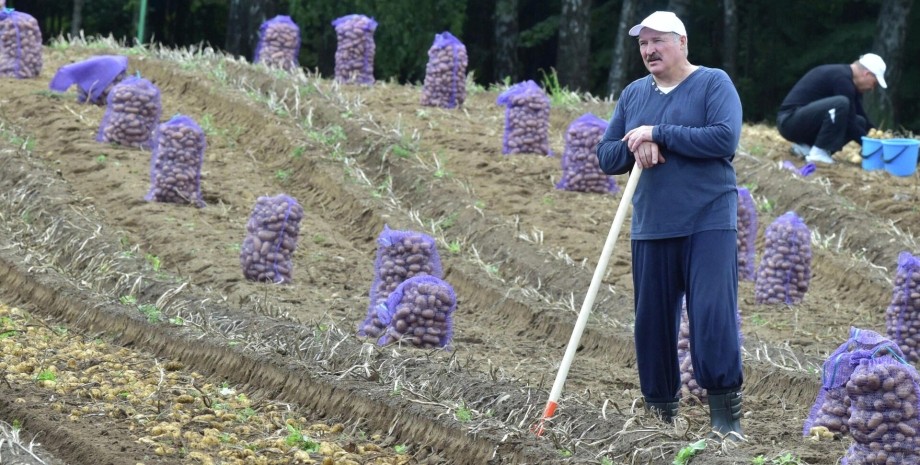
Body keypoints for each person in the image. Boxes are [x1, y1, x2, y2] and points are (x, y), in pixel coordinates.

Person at [595, 11, 744, 441]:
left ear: (682, 42)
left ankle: (726, 420)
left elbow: (723, 138)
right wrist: (636, 142)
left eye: (658, 41)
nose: (649, 50)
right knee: (652, 323)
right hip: (652, 225)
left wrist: (659, 132)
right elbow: (607, 156)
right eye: (643, 44)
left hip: (708, 219)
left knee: (711, 314)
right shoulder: (633, 94)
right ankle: (660, 416)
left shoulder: (713, 83)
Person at [776, 53, 887, 164]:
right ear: (866, 74)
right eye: (874, 83)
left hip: (803, 122)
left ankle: (806, 148)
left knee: (860, 121)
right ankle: (819, 153)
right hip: (789, 121)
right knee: (841, 103)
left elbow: (859, 115)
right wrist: (868, 144)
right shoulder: (841, 79)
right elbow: (849, 121)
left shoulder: (848, 80)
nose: (872, 88)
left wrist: (876, 135)